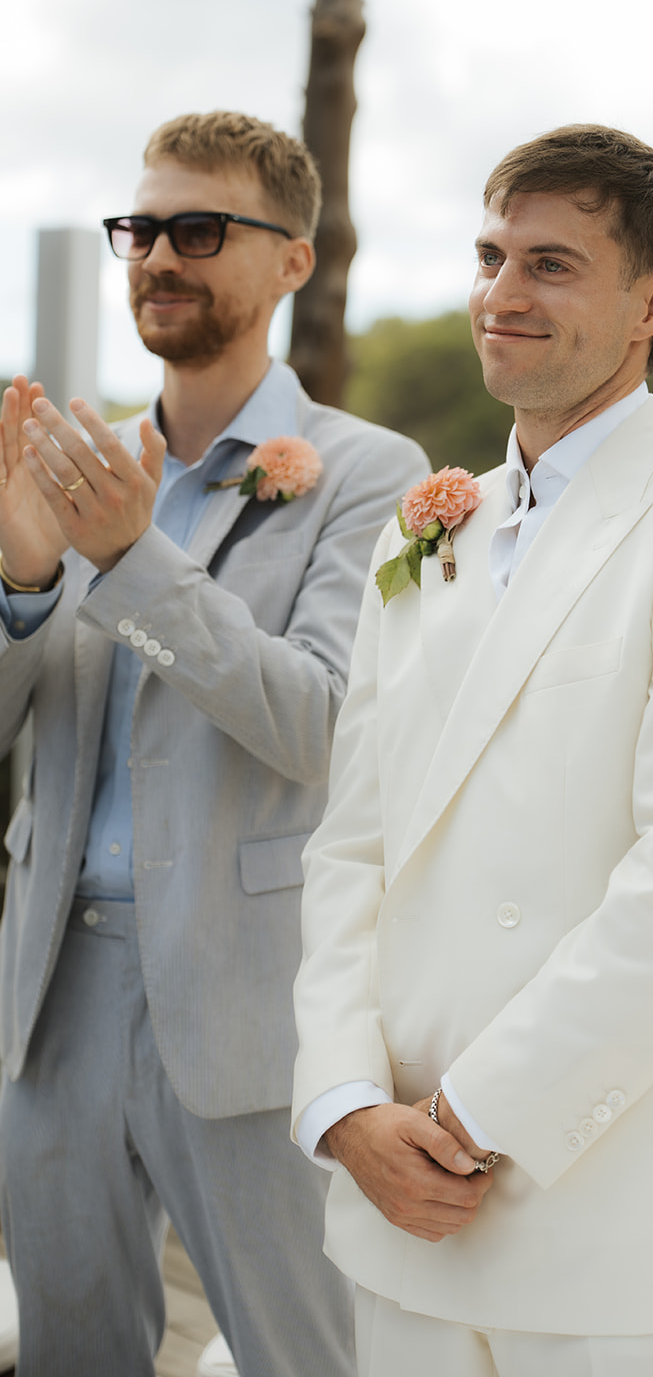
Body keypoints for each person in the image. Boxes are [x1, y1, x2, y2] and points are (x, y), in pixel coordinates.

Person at [292, 123, 653, 1375]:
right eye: (489, 256)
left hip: (617, 1228)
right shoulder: (426, 534)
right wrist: (341, 1105)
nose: (499, 293)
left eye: (549, 262)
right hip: (399, 1220)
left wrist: (472, 1117)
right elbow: (350, 846)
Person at [0, 110, 428, 1376]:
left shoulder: (367, 474)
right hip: (45, 1000)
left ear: (293, 259)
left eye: (199, 230)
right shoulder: (71, 467)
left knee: (303, 1355)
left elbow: (322, 724)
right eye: (139, 230)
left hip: (253, 1002)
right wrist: (22, 581)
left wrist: (135, 560)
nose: (157, 258)